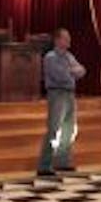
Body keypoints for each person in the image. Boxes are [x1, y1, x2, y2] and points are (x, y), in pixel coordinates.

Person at [37, 27, 86, 175]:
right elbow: (61, 76)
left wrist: (72, 71)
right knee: (54, 128)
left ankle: (62, 161)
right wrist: (72, 72)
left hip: (70, 94)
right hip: (57, 94)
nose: (69, 41)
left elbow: (82, 71)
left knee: (69, 129)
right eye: (66, 38)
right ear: (57, 40)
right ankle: (44, 165)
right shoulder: (50, 57)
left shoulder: (69, 56)